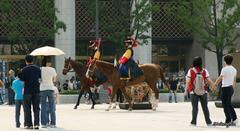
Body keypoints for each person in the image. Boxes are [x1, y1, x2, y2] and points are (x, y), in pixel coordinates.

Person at [184, 56, 214, 126]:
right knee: (205, 108)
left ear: (194, 62)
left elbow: (188, 81)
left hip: (193, 92)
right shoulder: (204, 70)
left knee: (195, 108)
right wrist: (214, 85)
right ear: (201, 62)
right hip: (204, 91)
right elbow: (209, 80)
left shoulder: (191, 70)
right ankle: (209, 122)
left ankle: (193, 122)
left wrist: (186, 91)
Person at [214, 54, 238, 124]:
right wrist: (233, 89)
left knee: (225, 105)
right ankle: (234, 118)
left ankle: (228, 119)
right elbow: (234, 81)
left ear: (225, 61)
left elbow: (220, 78)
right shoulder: (234, 69)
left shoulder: (224, 69)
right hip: (231, 88)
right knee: (229, 104)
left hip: (225, 88)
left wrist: (215, 84)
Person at [20, 55, 41, 129]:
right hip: (36, 91)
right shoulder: (38, 69)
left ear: (26, 61)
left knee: (27, 108)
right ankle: (36, 124)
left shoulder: (24, 69)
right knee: (36, 108)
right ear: (33, 61)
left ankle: (28, 124)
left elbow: (22, 82)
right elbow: (40, 79)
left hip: (27, 91)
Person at [40, 60, 57, 128]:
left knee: (43, 107)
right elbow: (55, 80)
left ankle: (44, 124)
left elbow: (40, 79)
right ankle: (53, 123)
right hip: (50, 88)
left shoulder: (41, 69)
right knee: (52, 106)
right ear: (49, 63)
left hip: (43, 89)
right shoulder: (52, 69)